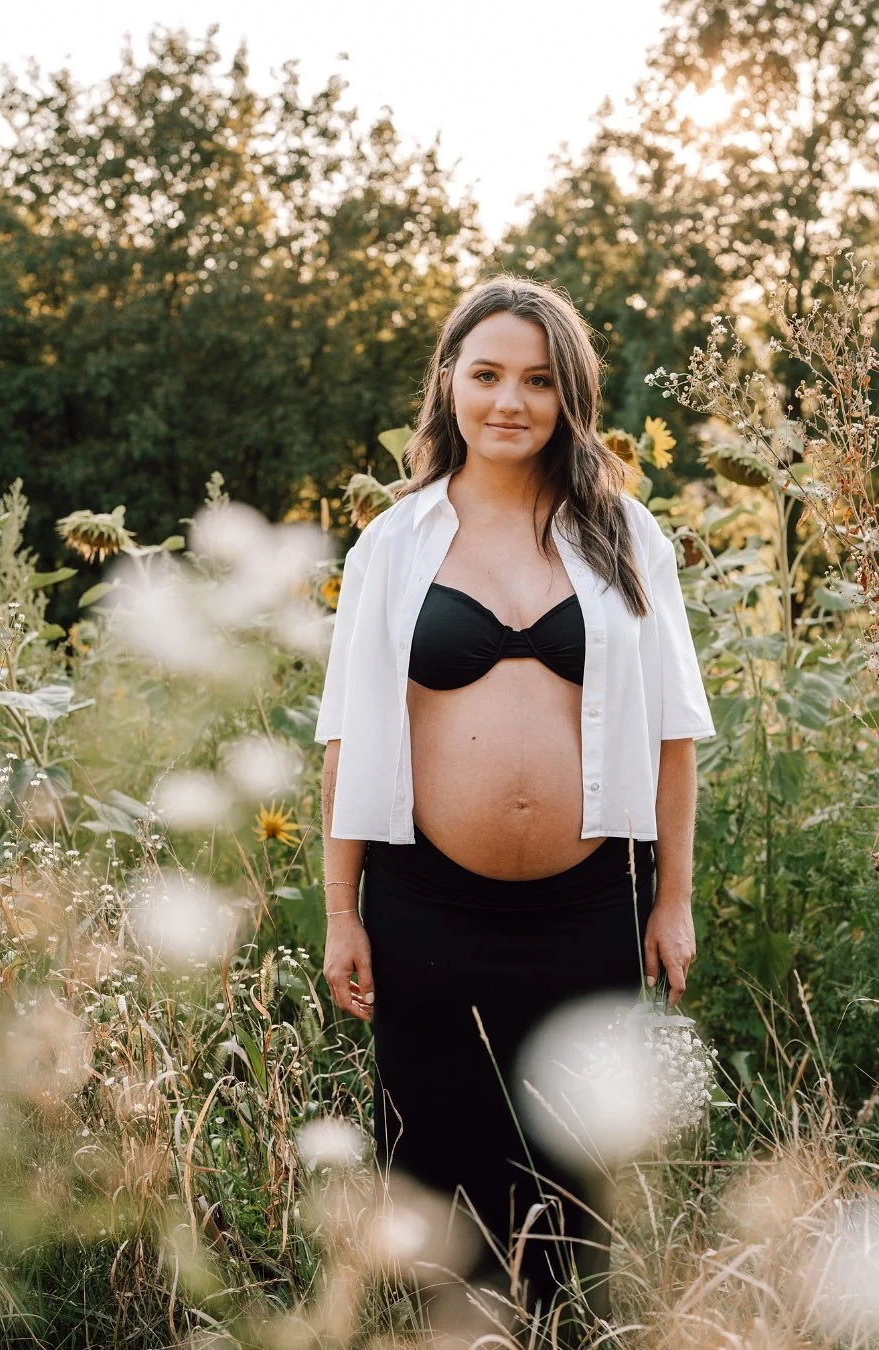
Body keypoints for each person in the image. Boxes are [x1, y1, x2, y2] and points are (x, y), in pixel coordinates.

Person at [316, 275, 716, 1344]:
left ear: (569, 396)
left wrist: (671, 903)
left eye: (538, 381)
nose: (511, 401)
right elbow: (348, 734)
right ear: (448, 383)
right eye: (487, 374)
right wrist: (340, 911)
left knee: (577, 1177)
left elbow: (676, 731)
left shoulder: (624, 534)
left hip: (590, 909)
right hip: (425, 909)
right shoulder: (392, 546)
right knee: (434, 1180)